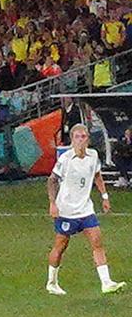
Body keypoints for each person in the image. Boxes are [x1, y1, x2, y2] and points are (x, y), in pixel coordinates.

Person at [46, 122, 125, 296]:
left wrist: (104, 196)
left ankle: (106, 282)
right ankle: (51, 281)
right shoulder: (65, 159)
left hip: (86, 209)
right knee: (60, 246)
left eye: (84, 137)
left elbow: (97, 175)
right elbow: (52, 180)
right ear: (72, 140)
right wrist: (52, 203)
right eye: (77, 137)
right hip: (66, 211)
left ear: (88, 139)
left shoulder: (93, 155)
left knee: (97, 242)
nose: (81, 140)